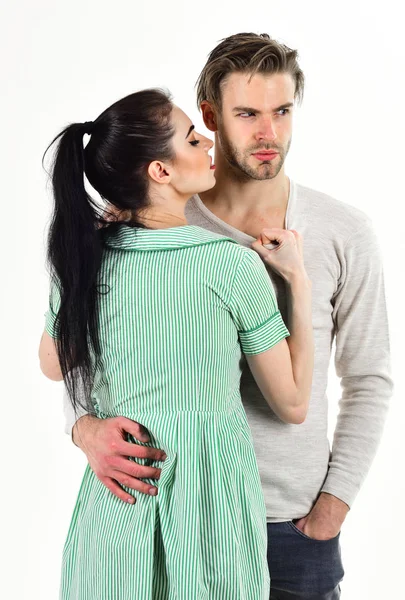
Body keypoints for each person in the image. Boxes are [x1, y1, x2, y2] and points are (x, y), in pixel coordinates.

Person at [64, 33, 393, 599]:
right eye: (247, 114)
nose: (269, 134)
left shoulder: (345, 232)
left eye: (282, 111)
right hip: (171, 515)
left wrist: (331, 508)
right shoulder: (149, 223)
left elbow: (369, 378)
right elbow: (85, 350)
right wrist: (82, 428)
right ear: (211, 117)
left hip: (293, 526)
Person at [39, 88, 314, 599]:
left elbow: (54, 365)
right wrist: (298, 281)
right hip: (208, 509)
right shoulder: (230, 264)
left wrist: (83, 425)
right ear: (160, 172)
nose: (208, 142)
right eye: (193, 138)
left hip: (120, 496)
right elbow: (293, 403)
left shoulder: (87, 260)